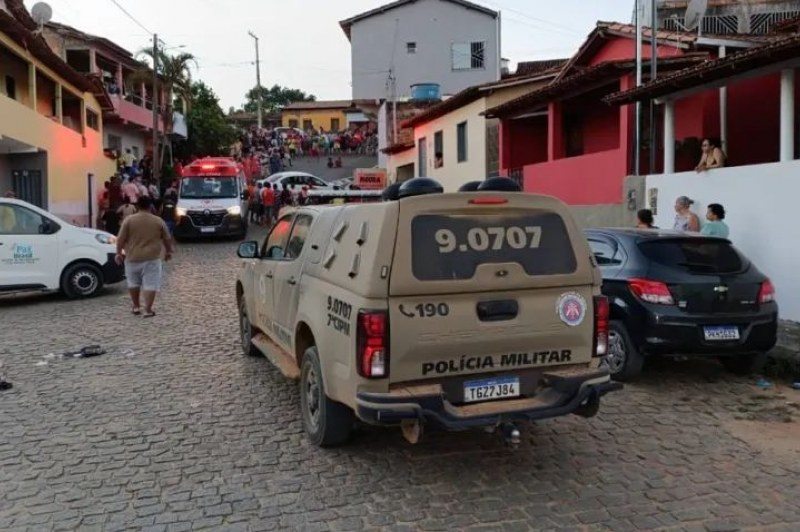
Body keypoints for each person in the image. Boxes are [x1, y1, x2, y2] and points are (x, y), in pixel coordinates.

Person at [115, 196, 174, 318]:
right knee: (151, 283)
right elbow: (167, 238)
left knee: (133, 283)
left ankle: (136, 306)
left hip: (132, 256)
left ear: (137, 206)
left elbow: (120, 239)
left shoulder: (129, 220)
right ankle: (148, 309)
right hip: (152, 257)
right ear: (150, 206)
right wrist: (168, 251)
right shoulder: (158, 221)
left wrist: (118, 253)